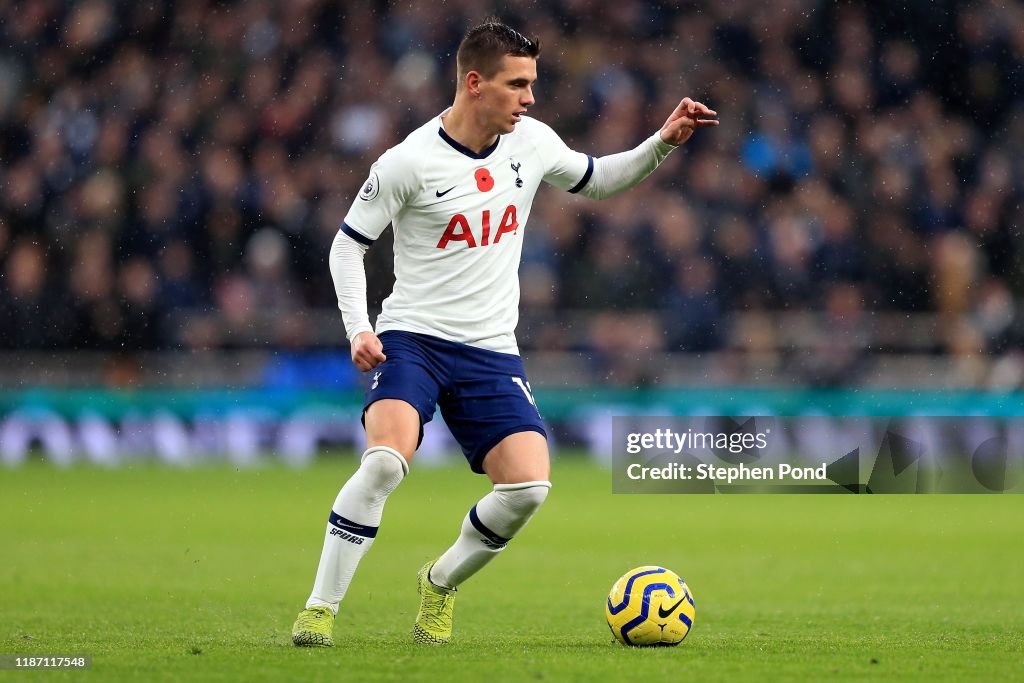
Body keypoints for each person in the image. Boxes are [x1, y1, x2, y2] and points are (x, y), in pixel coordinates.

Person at [291, 18, 718, 647]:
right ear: (474, 83)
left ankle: (438, 584)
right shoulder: (408, 162)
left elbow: (598, 180)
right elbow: (346, 247)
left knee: (527, 489)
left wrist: (663, 141)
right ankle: (320, 610)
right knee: (385, 461)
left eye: (532, 83)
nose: (530, 97)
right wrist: (358, 327)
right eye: (518, 84)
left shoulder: (533, 143)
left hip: (491, 349)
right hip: (413, 338)